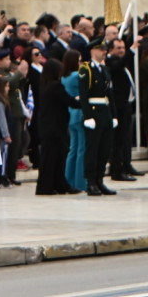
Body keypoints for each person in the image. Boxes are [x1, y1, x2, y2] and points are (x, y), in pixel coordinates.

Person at [35, 58, 81, 195]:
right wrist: (82, 100)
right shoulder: (56, 86)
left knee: (52, 158)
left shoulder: (45, 85)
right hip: (54, 128)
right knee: (53, 159)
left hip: (48, 127)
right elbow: (69, 101)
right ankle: (51, 186)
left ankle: (55, 185)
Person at [79, 38, 118, 196]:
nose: (104, 52)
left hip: (105, 113)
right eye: (101, 49)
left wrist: (113, 115)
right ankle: (91, 182)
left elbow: (110, 94)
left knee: (104, 150)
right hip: (94, 114)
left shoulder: (104, 69)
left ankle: (100, 180)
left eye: (105, 49)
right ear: (93, 51)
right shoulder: (86, 69)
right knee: (92, 150)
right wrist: (88, 116)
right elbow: (83, 95)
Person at [106, 37, 138, 181]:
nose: (121, 51)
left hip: (125, 104)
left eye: (123, 48)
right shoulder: (111, 62)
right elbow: (117, 66)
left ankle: (125, 165)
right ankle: (116, 170)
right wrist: (131, 50)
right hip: (117, 106)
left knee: (124, 139)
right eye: (118, 48)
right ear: (111, 49)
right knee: (117, 140)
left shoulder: (122, 62)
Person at [62, 50, 87, 192]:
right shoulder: (77, 76)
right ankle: (80, 182)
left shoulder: (64, 77)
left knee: (73, 149)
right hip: (80, 112)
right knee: (82, 149)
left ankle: (69, 179)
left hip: (71, 114)